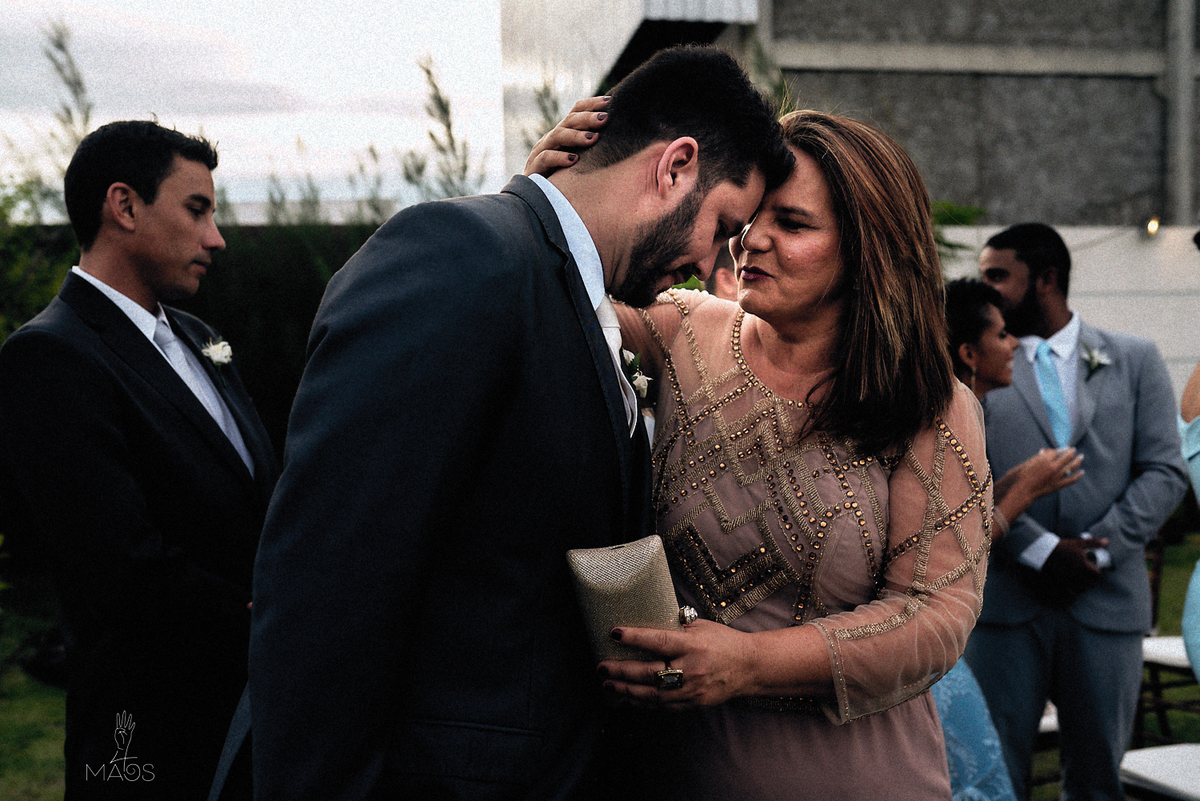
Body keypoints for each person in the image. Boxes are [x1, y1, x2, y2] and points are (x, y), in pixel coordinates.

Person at [247, 45, 792, 800]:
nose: (706, 262)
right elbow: (330, 585)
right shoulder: (462, 256)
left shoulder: (574, 292)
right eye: (721, 222)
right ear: (675, 167)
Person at [533, 108, 990, 799]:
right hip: (668, 770)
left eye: (794, 224)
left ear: (867, 246)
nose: (752, 241)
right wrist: (549, 198)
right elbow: (555, 300)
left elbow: (934, 615)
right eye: (750, 218)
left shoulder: (929, 402)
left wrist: (749, 661)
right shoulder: (682, 331)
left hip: (854, 776)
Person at [0, 121, 278, 799]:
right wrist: (273, 622)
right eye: (197, 209)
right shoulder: (52, 355)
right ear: (122, 206)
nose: (215, 237)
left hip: (253, 721)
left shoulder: (199, 336)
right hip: (148, 739)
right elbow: (120, 566)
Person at [963, 222, 1187, 800]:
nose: (986, 290)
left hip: (1105, 602)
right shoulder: (981, 364)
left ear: (1046, 280)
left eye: (998, 276)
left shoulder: (1134, 359)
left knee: (1097, 779)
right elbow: (965, 478)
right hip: (1007, 602)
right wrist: (1039, 550)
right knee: (995, 775)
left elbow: (1166, 470)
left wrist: (1099, 548)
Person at [934, 277, 1085, 801]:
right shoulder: (947, 418)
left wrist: (1020, 475)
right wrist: (1028, 491)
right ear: (969, 353)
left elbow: (962, 507)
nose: (1016, 342)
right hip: (936, 637)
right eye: (1001, 334)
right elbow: (956, 547)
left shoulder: (966, 413)